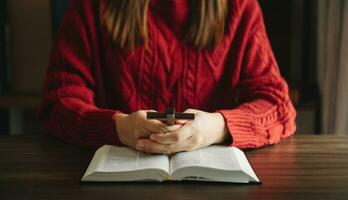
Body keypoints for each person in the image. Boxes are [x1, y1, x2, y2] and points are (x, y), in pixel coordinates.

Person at [39, 0, 296, 154]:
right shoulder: (94, 5)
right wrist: (118, 127)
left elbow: (277, 106)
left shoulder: (239, 6)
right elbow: (58, 103)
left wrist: (217, 128)